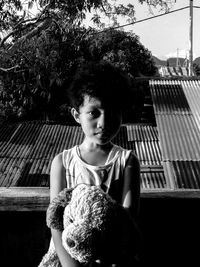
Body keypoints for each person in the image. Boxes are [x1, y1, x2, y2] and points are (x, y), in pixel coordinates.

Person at [49, 60, 141, 267]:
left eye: (113, 111)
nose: (104, 122)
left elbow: (127, 220)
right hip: (66, 258)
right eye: (94, 112)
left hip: (112, 260)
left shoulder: (127, 162)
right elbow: (55, 222)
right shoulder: (62, 163)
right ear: (76, 115)